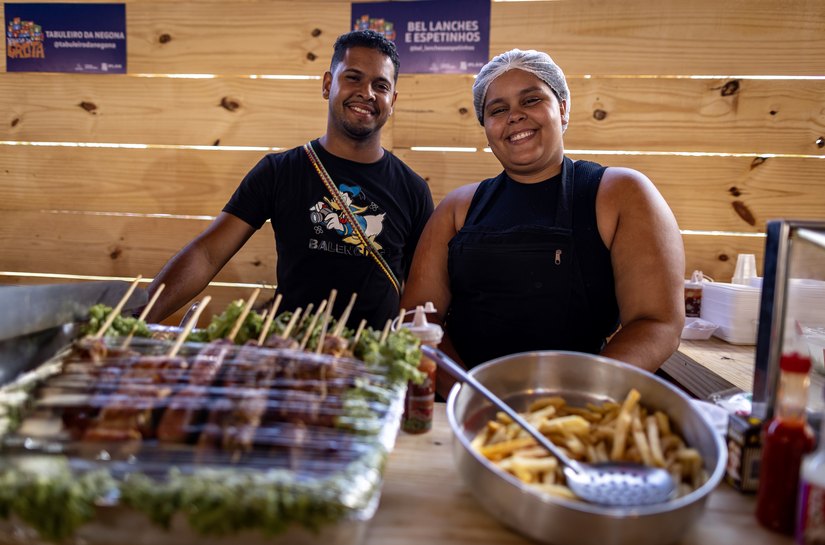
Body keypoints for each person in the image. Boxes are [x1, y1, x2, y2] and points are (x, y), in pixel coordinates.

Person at [400, 49, 685, 398]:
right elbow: (416, 318)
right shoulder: (458, 208)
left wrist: (569, 403)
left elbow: (657, 324)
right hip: (461, 408)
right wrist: (469, 397)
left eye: (531, 99)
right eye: (498, 109)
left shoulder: (620, 194)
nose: (515, 116)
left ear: (563, 108)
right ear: (486, 126)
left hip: (571, 418)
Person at [145, 30, 434, 329]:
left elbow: (423, 292)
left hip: (371, 365)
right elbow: (206, 255)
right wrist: (140, 316)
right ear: (327, 85)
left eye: (380, 85)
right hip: (290, 357)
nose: (367, 92)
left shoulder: (413, 189)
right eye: (353, 77)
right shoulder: (279, 171)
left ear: (393, 100)